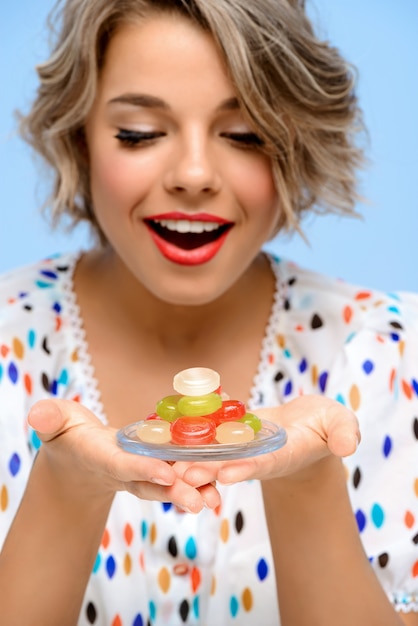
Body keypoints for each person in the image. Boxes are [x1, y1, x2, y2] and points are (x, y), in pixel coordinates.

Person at [0, 0, 417, 624]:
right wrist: (66, 488)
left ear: (296, 144)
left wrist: (305, 486)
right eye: (138, 132)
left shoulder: (392, 353)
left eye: (245, 134)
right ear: (78, 138)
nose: (194, 174)